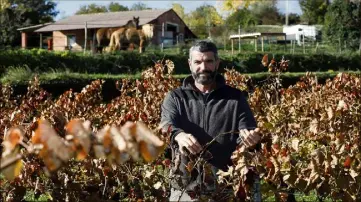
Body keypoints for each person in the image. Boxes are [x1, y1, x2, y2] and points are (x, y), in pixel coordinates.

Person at [160, 40, 261, 201]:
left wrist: (250, 138)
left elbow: (246, 128)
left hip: (227, 185)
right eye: (198, 62)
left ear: (217, 63)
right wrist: (178, 135)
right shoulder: (176, 97)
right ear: (190, 64)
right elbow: (166, 125)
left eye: (209, 61)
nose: (203, 67)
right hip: (186, 187)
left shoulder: (235, 98)